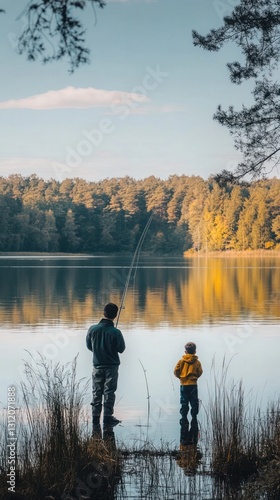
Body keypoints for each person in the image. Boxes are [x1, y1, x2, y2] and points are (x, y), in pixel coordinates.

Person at [86, 303, 125, 429]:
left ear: (104, 313)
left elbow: (89, 346)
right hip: (111, 367)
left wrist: (99, 351)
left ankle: (95, 419)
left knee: (96, 392)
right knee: (109, 392)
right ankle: (107, 418)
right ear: (115, 315)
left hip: (97, 366)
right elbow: (121, 349)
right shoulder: (116, 332)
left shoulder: (92, 329)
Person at [174, 342, 203, 421]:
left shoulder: (181, 361)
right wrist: (195, 377)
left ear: (185, 352)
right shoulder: (197, 362)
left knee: (184, 402)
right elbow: (200, 372)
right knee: (194, 402)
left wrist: (180, 377)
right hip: (193, 385)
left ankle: (184, 417)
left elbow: (176, 371)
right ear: (195, 352)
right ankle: (194, 417)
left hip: (183, 385)